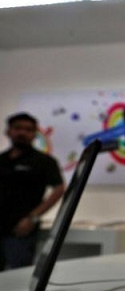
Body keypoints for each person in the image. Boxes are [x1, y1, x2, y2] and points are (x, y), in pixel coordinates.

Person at [0, 112, 65, 270]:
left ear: (35, 134)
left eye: (28, 129)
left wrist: (32, 218)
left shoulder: (44, 161)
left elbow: (59, 188)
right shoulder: (1, 159)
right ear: (8, 131)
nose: (22, 132)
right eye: (18, 128)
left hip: (20, 230)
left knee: (16, 278)